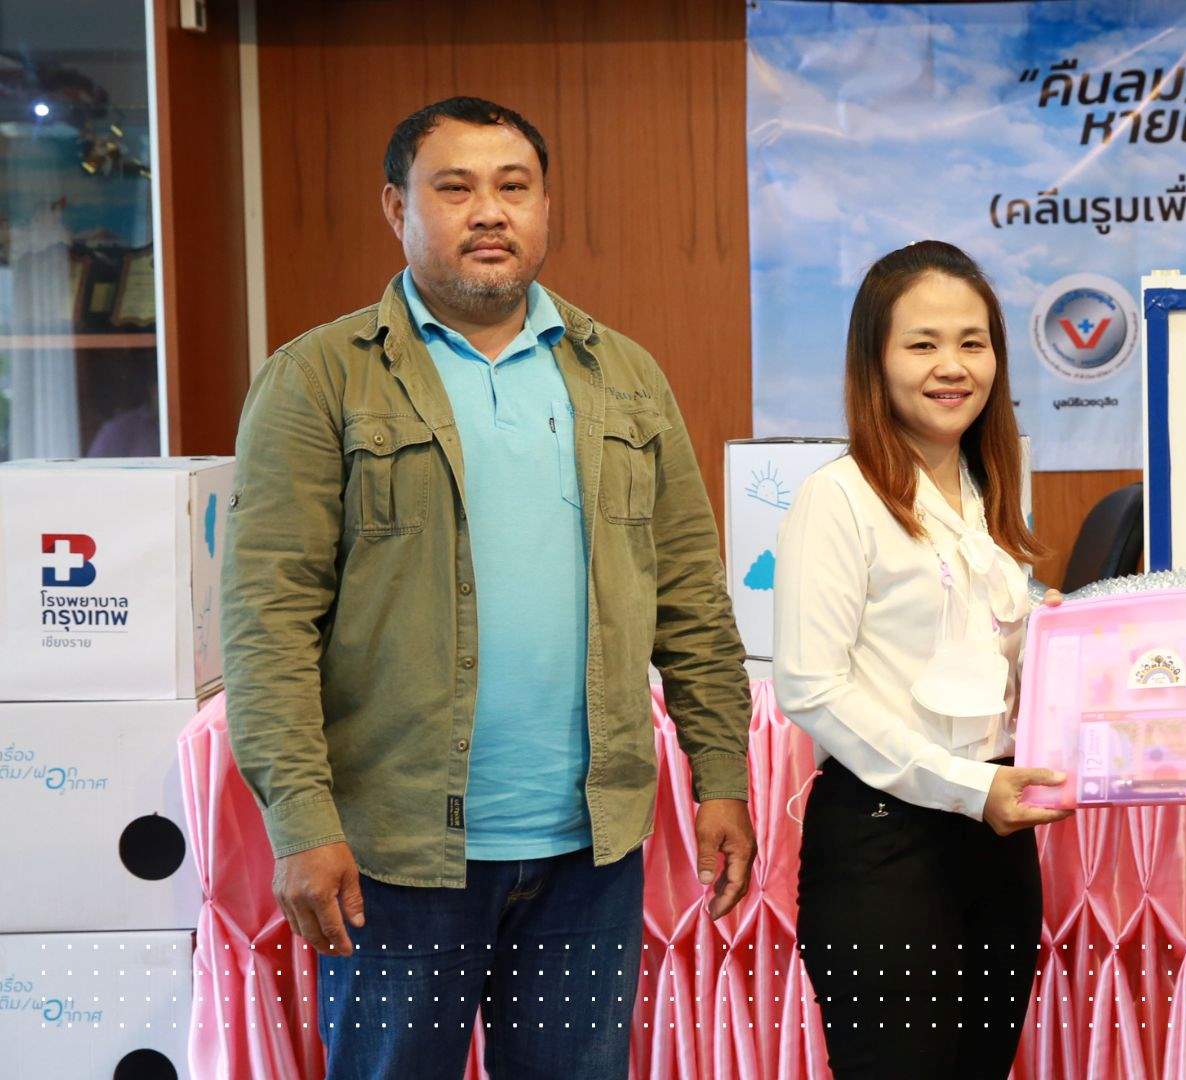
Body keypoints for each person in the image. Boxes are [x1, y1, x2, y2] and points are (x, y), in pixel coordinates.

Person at [220, 96, 755, 1079]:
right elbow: (268, 622)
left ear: (546, 206)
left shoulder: (625, 377)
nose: (490, 212)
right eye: (455, 188)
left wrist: (721, 775)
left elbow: (691, 600)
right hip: (393, 854)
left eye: (515, 187)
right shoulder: (321, 378)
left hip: (587, 853)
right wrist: (300, 823)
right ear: (397, 207)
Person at [770, 240, 1071, 1079]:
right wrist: (969, 789)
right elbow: (810, 686)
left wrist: (1062, 645)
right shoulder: (839, 497)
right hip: (886, 847)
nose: (953, 367)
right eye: (923, 343)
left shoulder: (989, 490)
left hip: (996, 839)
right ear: (876, 359)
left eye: (973, 343)